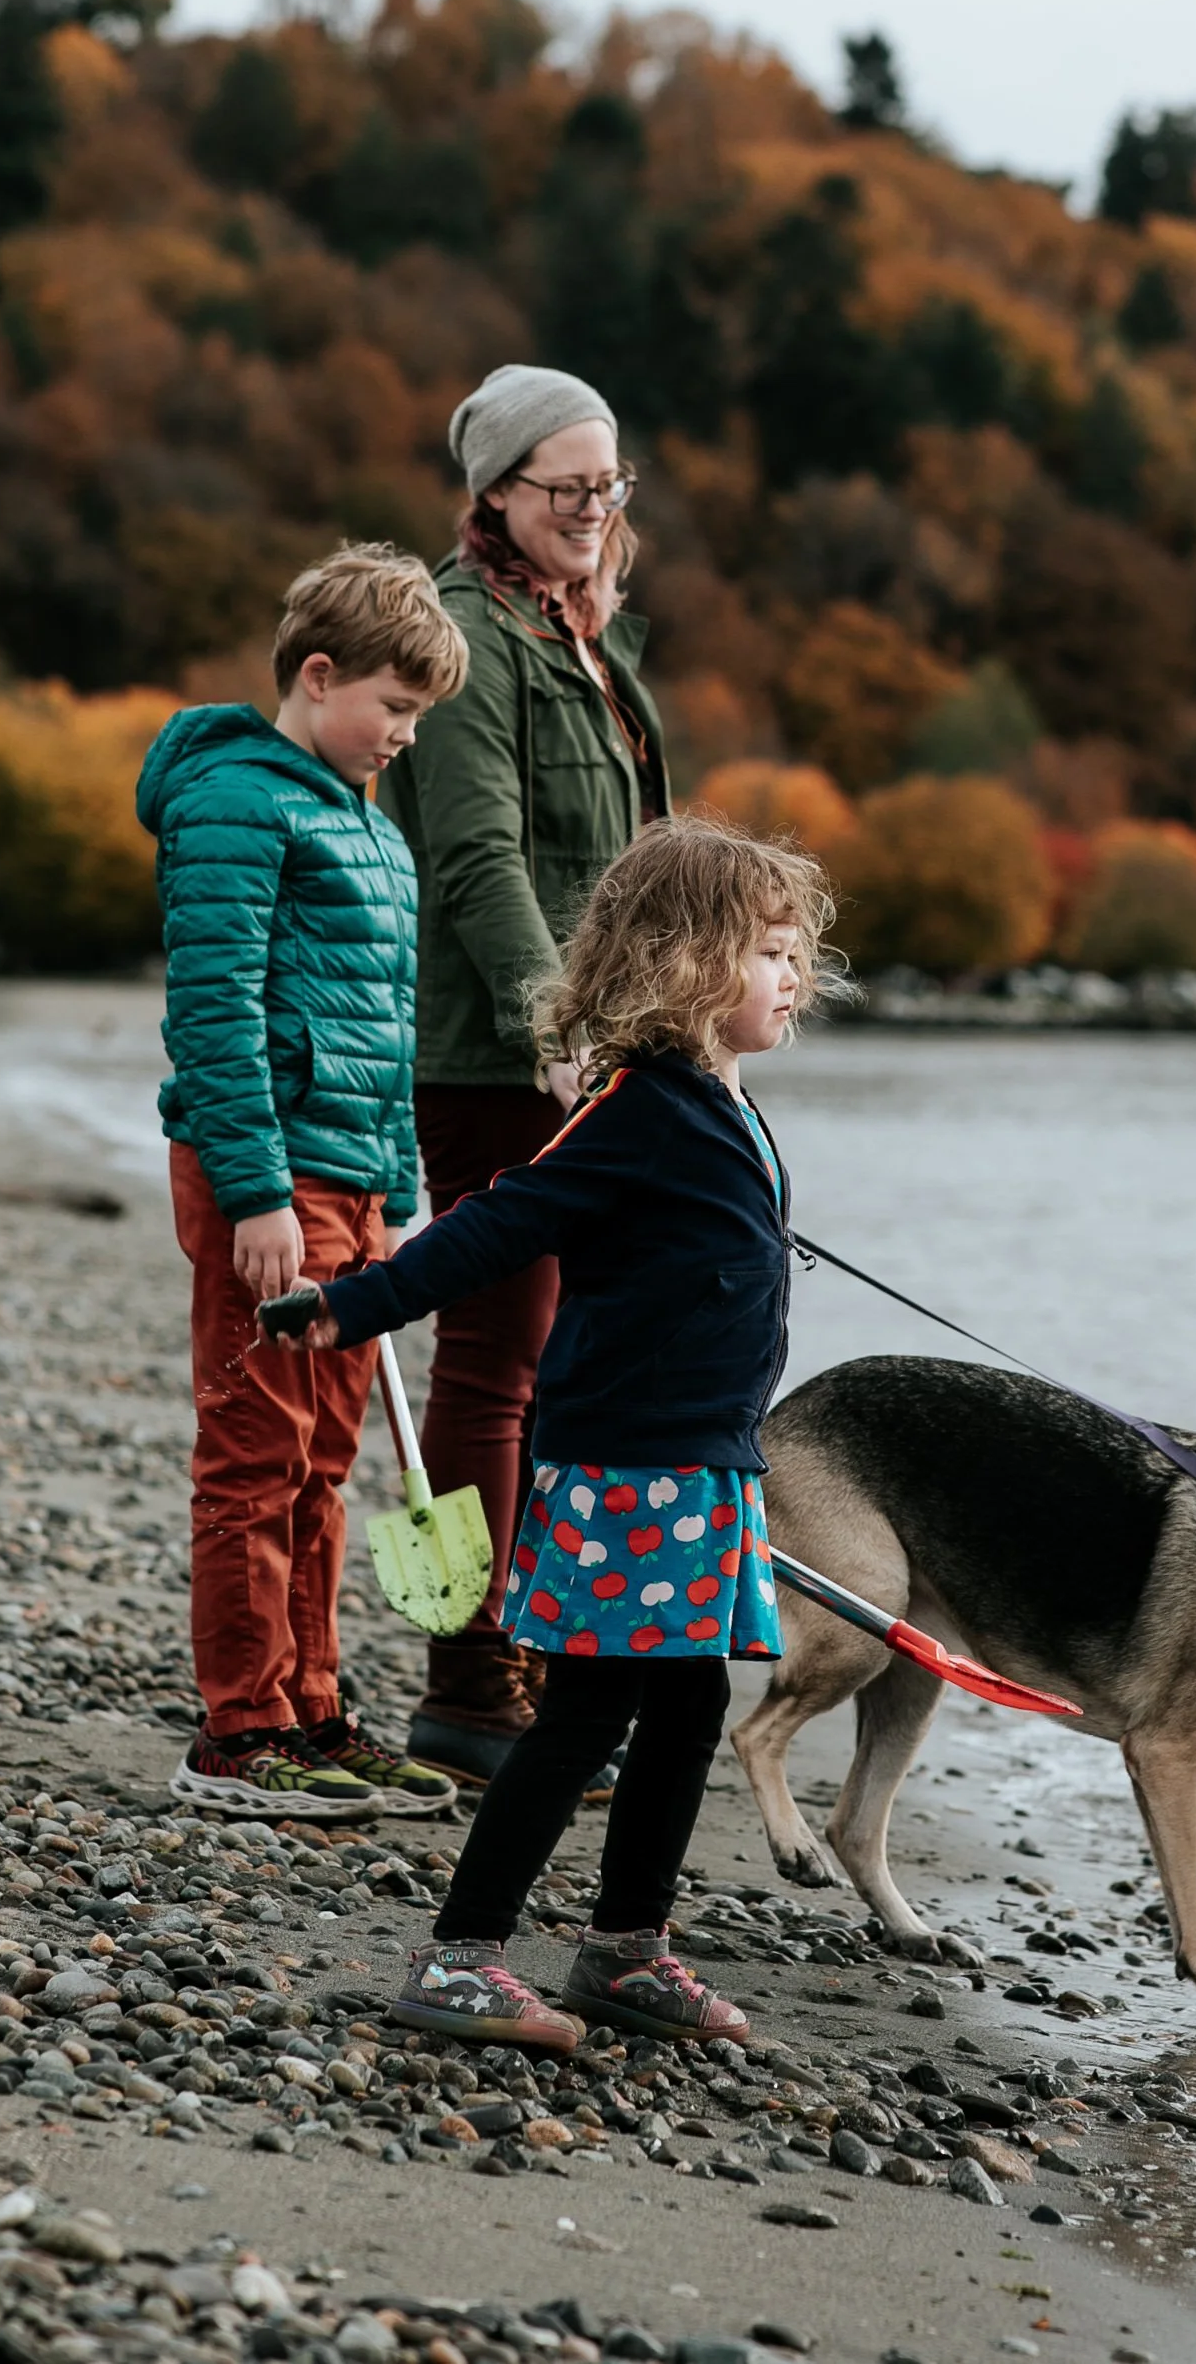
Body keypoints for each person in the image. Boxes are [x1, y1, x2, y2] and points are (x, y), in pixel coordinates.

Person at [257, 815, 833, 2049]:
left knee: (682, 1715)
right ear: (682, 961)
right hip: (630, 1471)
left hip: (704, 1464)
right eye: (769, 952)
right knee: (583, 1716)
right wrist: (352, 1302)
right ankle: (460, 1954)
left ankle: (626, 1947)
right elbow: (493, 1223)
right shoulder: (634, 1107)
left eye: (797, 954)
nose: (794, 977)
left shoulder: (721, 1105)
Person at [137, 543, 470, 1817]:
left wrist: (396, 1193)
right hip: (264, 1183)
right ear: (318, 675)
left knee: (325, 1457)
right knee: (254, 1448)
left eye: (418, 717)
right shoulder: (236, 800)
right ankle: (238, 1729)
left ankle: (314, 1702)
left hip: (353, 1186)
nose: (401, 734)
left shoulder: (364, 822)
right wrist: (259, 1191)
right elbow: (213, 1011)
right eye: (392, 707)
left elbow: (387, 1031)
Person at [379, 364, 670, 1787]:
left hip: (603, 1043)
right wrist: (548, 1018)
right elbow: (479, 856)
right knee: (496, 1363)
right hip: (503, 1053)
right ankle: (466, 1662)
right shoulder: (473, 636)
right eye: (565, 486)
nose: (592, 509)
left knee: (560, 1362)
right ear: (495, 491)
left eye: (607, 485)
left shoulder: (582, 633)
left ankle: (535, 1644)